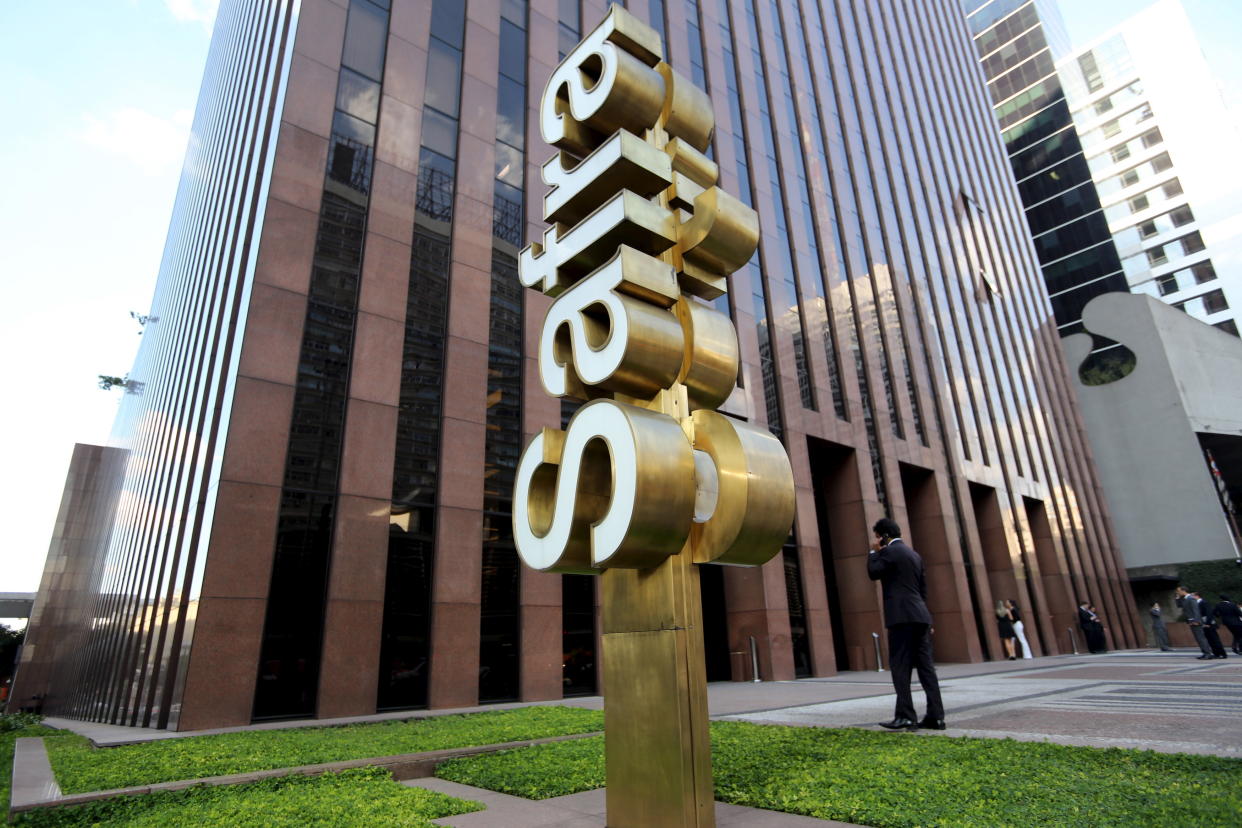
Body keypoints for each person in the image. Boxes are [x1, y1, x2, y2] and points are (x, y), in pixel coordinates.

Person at [867, 517, 946, 731]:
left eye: (877, 537)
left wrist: (873, 552)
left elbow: (873, 573)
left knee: (900, 666)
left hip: (901, 617)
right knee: (926, 667)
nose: (876, 541)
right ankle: (936, 716)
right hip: (920, 615)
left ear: (884, 536)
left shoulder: (888, 552)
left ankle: (905, 715)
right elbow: (923, 590)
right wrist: (927, 618)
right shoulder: (915, 555)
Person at [1176, 586, 1214, 659]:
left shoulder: (1191, 598)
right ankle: (1204, 653)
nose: (1177, 592)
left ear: (1183, 591)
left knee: (1201, 638)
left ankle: (1208, 653)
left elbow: (1196, 610)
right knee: (1198, 638)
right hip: (1191, 621)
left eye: (1178, 591)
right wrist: (1177, 598)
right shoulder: (1185, 599)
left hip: (1196, 621)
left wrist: (1197, 621)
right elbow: (1179, 605)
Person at [1197, 593, 1227, 659]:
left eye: (1192, 595)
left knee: (1215, 639)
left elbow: (1209, 613)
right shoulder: (1199, 603)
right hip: (1204, 623)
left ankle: (1222, 654)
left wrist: (1208, 623)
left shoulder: (1204, 602)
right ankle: (1216, 653)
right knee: (1210, 640)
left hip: (1209, 624)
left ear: (1197, 596)